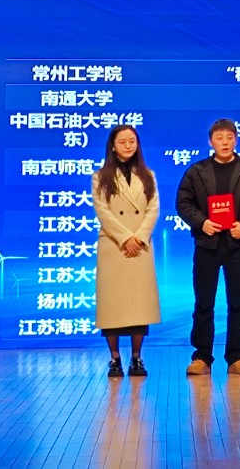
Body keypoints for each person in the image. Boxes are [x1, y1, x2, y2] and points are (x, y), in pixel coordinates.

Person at [176, 118, 240, 376]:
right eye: (219, 138)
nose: (225, 142)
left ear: (236, 140)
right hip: (206, 245)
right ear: (211, 142)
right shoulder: (197, 171)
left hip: (237, 245)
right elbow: (183, 203)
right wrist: (202, 222)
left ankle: (237, 356)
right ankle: (201, 357)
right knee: (203, 303)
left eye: (229, 137)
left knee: (238, 302)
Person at [91, 125, 161, 378]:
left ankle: (137, 357)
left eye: (132, 141)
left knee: (138, 305)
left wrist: (139, 238)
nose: (128, 146)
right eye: (123, 142)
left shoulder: (148, 175)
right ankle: (114, 358)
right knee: (113, 307)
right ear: (113, 145)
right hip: (114, 247)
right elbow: (103, 211)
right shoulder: (100, 176)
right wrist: (125, 238)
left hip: (140, 247)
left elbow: (153, 209)